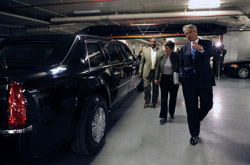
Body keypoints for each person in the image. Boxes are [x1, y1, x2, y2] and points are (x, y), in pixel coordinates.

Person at [179, 24, 215, 145]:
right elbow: (181, 65)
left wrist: (200, 48)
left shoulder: (207, 43)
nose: (188, 35)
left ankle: (197, 118)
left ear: (195, 31)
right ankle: (194, 134)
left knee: (208, 104)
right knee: (191, 108)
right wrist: (181, 76)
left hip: (204, 80)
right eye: (186, 34)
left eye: (189, 32)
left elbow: (211, 53)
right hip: (189, 82)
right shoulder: (184, 48)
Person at [155, 41, 180, 125]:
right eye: (165, 48)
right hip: (164, 79)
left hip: (173, 80)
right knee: (163, 98)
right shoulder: (162, 56)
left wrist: (180, 80)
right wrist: (156, 78)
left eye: (167, 48)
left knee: (173, 97)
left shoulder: (177, 57)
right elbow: (158, 67)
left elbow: (180, 69)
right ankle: (163, 116)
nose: (165, 50)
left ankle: (171, 112)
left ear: (172, 49)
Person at [139, 38, 164, 108]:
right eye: (152, 41)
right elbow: (142, 62)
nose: (153, 43)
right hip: (147, 72)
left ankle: (154, 102)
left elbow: (162, 62)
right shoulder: (145, 51)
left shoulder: (161, 51)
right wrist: (140, 71)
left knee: (155, 88)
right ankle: (147, 101)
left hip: (156, 73)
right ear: (150, 42)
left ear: (156, 43)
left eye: (154, 42)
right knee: (146, 88)